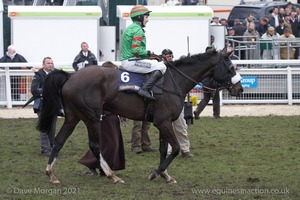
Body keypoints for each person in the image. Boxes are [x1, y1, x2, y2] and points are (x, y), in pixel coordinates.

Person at [119, 5, 167, 100]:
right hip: (131, 62)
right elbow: (136, 51)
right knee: (162, 66)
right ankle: (144, 89)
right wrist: (149, 53)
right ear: (140, 17)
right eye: (146, 17)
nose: (147, 20)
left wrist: (149, 56)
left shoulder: (130, 28)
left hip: (129, 60)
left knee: (156, 63)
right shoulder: (138, 30)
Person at [161, 49, 193, 158]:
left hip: (177, 102)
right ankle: (169, 150)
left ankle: (185, 149)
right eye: (166, 56)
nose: (168, 58)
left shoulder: (177, 69)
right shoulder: (161, 69)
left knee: (181, 127)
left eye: (170, 56)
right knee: (168, 127)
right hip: (165, 103)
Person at [31, 57, 56, 157]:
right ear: (43, 65)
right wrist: (47, 91)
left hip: (53, 105)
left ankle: (51, 146)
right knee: (44, 128)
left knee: (52, 128)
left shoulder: (55, 75)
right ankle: (45, 149)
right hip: (42, 105)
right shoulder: (38, 76)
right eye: (48, 63)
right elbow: (34, 90)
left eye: (51, 63)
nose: (50, 65)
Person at [193, 46, 221, 120]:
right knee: (216, 99)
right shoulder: (213, 62)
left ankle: (197, 111)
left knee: (205, 99)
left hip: (205, 83)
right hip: (212, 84)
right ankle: (216, 115)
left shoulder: (203, 62)